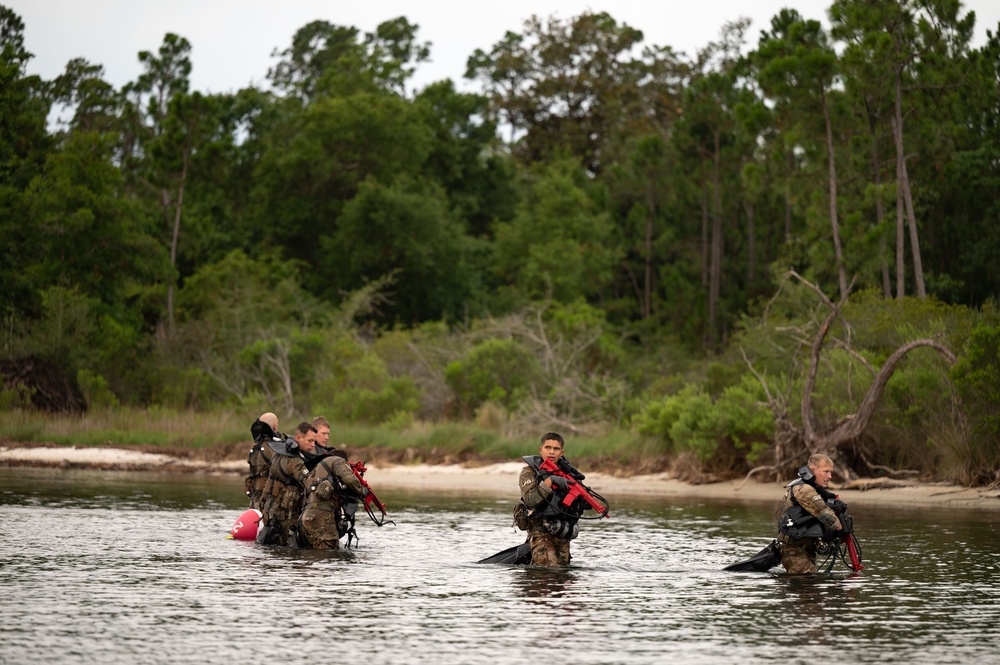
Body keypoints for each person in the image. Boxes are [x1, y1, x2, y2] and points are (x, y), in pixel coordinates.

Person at [518, 432, 588, 567]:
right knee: (547, 572)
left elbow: (579, 506)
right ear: (540, 450)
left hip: (562, 534)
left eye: (556, 449)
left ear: (562, 452)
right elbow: (531, 500)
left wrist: (581, 501)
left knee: (562, 575)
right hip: (540, 533)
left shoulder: (568, 473)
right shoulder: (529, 472)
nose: (551, 452)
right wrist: (551, 481)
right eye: (547, 448)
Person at [777, 453, 844, 574]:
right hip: (795, 551)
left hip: (804, 549)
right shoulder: (804, 489)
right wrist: (840, 529)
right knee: (807, 587)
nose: (830, 476)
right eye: (826, 471)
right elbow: (826, 515)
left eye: (831, 472)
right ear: (813, 470)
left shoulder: (810, 487)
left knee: (809, 586)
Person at [256, 421, 319, 547]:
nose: (312, 445)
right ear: (298, 438)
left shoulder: (278, 453)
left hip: (270, 514)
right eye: (310, 441)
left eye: (314, 442)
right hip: (286, 518)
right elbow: (309, 483)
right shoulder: (295, 461)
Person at [298, 447, 366, 549]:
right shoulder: (337, 460)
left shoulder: (316, 470)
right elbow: (350, 480)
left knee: (313, 556)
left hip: (307, 517)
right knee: (328, 556)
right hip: (321, 517)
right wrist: (362, 490)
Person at [245, 412, 281, 510]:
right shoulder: (275, 448)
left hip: (255, 499)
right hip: (269, 502)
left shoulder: (254, 448)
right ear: (274, 426)